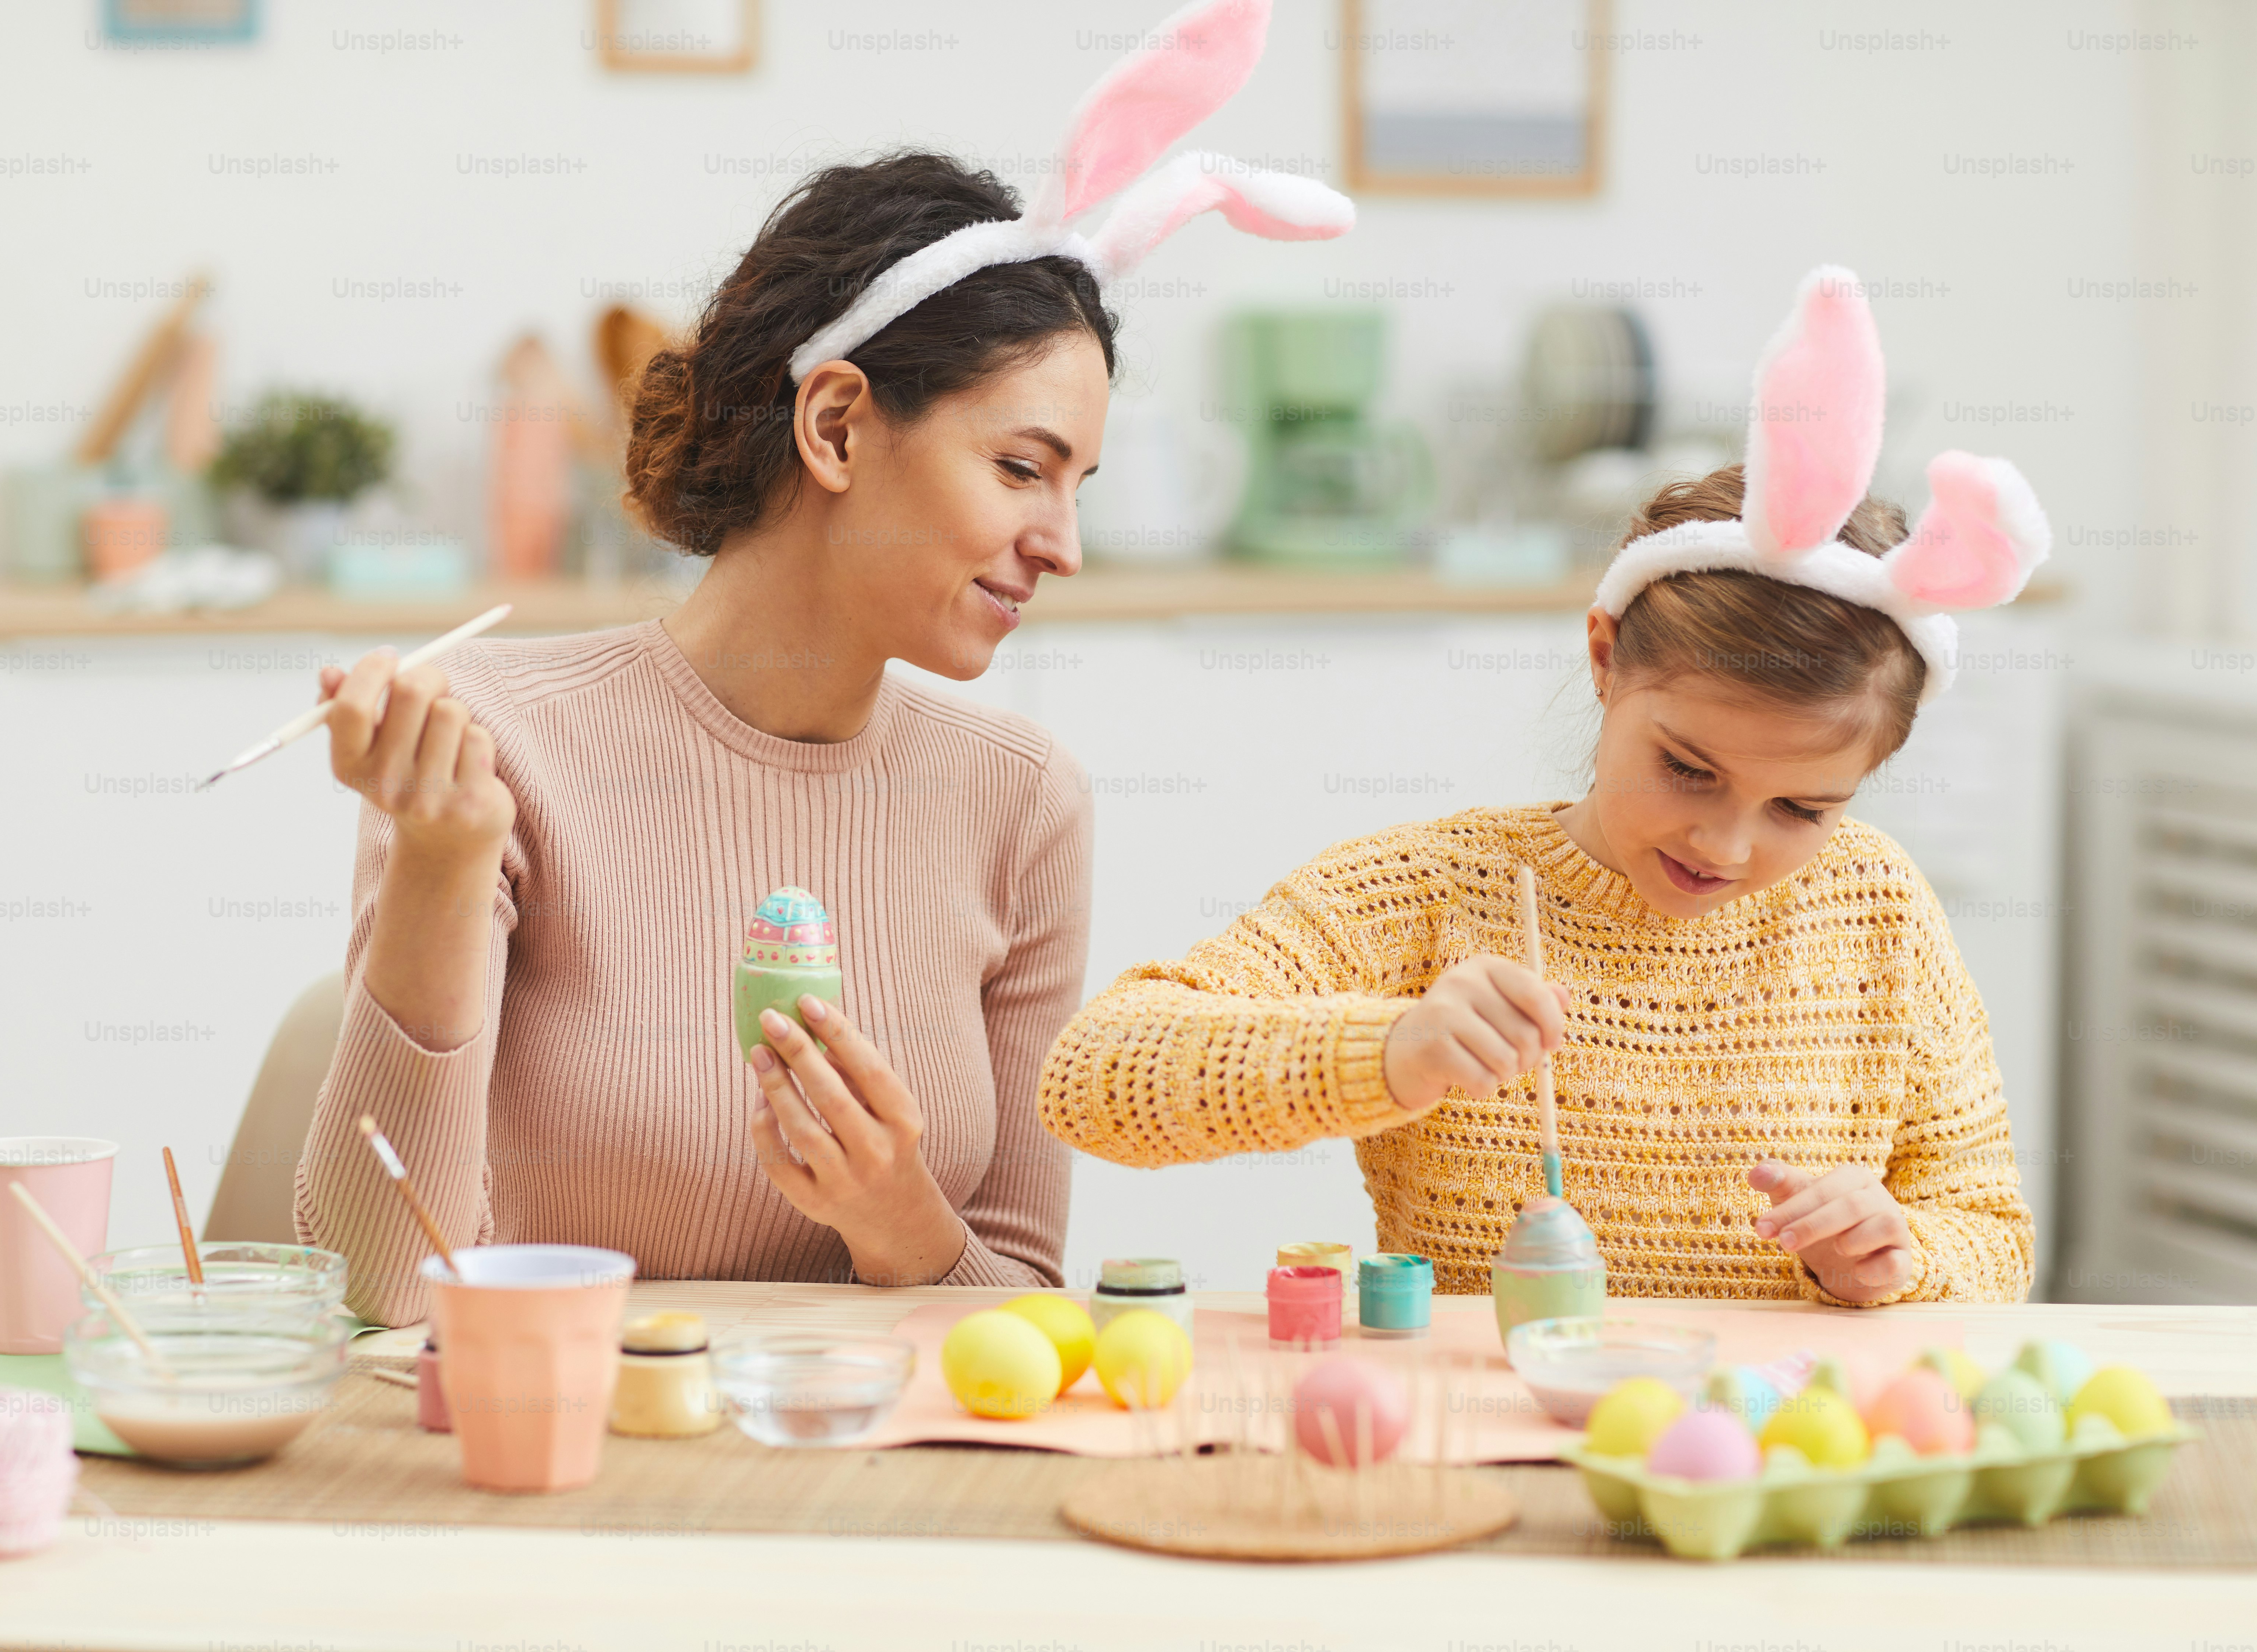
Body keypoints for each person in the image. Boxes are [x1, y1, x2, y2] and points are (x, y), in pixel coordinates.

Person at [1038, 268, 2045, 1306]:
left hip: (1772, 1448)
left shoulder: (1878, 911)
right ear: (1605, 658)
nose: (1728, 844)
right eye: (1688, 769)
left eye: (1803, 810)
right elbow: (1097, 1078)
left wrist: (1903, 1256)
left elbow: (1994, 1239)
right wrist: (1391, 1050)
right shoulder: (1431, 894)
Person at [292, 155, 1113, 1323]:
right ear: (836, 427)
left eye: (1078, 486)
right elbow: (380, 1288)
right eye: (1022, 469)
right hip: (573, 1456)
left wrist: (902, 1224)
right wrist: (439, 863)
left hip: (868, 1469)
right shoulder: (493, 752)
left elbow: (1025, 1317)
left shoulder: (1024, 804)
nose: (1063, 545)